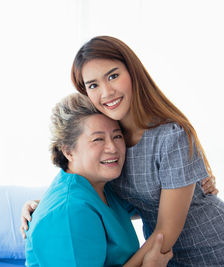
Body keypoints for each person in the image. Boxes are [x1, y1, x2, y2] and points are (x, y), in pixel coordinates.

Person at [22, 36, 224, 266]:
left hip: (210, 248)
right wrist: (41, 206)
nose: (106, 92)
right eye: (93, 85)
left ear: (132, 73)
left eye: (113, 76)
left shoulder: (170, 136)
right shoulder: (111, 143)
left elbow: (164, 231)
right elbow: (102, 200)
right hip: (163, 258)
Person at [25, 93, 172, 267]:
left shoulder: (102, 187)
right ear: (68, 151)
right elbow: (68, 210)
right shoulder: (69, 212)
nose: (113, 147)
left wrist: (193, 181)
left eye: (117, 136)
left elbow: (150, 201)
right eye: (98, 139)